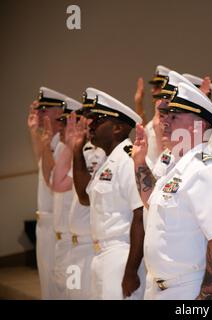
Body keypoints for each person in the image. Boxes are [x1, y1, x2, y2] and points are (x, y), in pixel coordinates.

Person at [132, 82, 212, 299]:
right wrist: (139, 162)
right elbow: (153, 201)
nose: (164, 121)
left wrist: (206, 296)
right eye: (166, 115)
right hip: (159, 288)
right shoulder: (176, 166)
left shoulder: (207, 170)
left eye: (174, 116)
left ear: (199, 126)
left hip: (188, 290)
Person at [71, 88, 146, 299]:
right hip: (100, 255)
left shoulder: (127, 159)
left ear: (117, 128)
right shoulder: (109, 160)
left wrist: (131, 271)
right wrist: (77, 150)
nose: (91, 126)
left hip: (120, 256)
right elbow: (85, 197)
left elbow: (140, 216)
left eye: (97, 121)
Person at [59, 89, 106, 299]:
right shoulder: (84, 151)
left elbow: (85, 196)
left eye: (91, 116)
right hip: (74, 246)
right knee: (72, 294)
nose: (86, 121)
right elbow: (58, 182)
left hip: (90, 246)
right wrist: (73, 147)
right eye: (85, 116)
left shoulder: (102, 153)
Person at [27, 87, 65, 299]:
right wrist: (34, 132)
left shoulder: (63, 143)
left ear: (58, 112)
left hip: (56, 224)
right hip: (44, 223)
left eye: (44, 110)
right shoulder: (50, 141)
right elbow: (40, 164)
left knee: (58, 288)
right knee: (47, 288)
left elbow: (53, 181)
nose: (39, 114)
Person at [48, 97, 83, 299]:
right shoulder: (64, 150)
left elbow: (59, 184)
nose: (61, 128)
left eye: (67, 123)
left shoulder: (83, 154)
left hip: (77, 245)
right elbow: (53, 182)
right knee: (64, 294)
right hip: (64, 243)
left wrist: (71, 146)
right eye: (61, 122)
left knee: (75, 294)